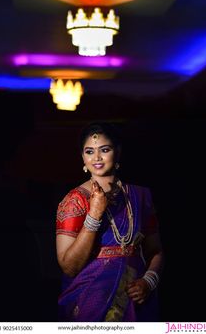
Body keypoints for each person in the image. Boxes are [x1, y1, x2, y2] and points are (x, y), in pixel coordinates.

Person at [56, 121, 164, 322]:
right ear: (82, 157)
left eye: (104, 150)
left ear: (117, 152)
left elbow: (155, 250)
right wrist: (94, 214)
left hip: (136, 300)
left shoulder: (140, 196)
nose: (96, 157)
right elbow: (69, 266)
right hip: (90, 301)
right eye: (89, 151)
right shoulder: (74, 200)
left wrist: (148, 282)